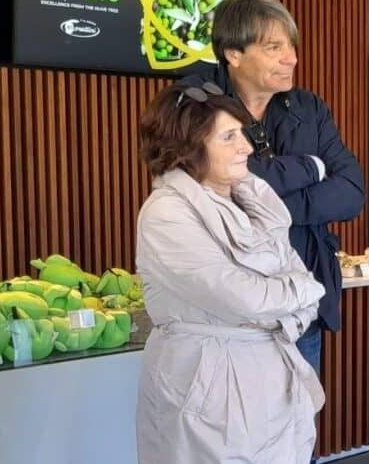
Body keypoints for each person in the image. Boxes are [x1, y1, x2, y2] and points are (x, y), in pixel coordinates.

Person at [135, 82, 326, 463]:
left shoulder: (253, 201)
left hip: (272, 379)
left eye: (242, 133)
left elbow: (293, 276)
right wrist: (301, 291)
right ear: (188, 146)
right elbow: (244, 296)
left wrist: (295, 293)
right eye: (229, 137)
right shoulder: (165, 214)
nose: (247, 148)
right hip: (208, 388)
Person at [181, 0, 366, 376]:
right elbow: (216, 186)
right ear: (233, 54)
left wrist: (269, 208)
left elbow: (351, 191)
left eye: (291, 46)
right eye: (274, 47)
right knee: (231, 433)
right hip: (227, 317)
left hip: (299, 308)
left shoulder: (309, 109)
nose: (292, 58)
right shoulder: (196, 105)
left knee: (298, 431)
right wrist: (310, 169)